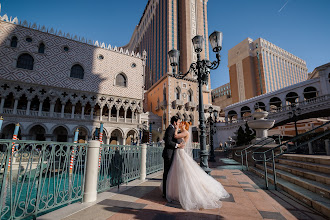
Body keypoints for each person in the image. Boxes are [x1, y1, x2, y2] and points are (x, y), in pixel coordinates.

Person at [166, 121, 230, 210]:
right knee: (177, 172)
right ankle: (176, 192)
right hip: (178, 152)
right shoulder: (182, 132)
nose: (180, 124)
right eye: (180, 123)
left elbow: (175, 136)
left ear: (185, 125)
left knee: (184, 172)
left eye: (182, 123)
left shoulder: (185, 132)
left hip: (180, 152)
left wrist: (176, 129)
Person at [162, 116, 185, 199]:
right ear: (174, 122)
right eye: (178, 122)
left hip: (171, 153)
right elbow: (168, 142)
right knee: (167, 173)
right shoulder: (170, 129)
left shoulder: (171, 129)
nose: (179, 123)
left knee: (169, 173)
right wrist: (177, 145)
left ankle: (168, 191)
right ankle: (165, 192)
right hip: (169, 154)